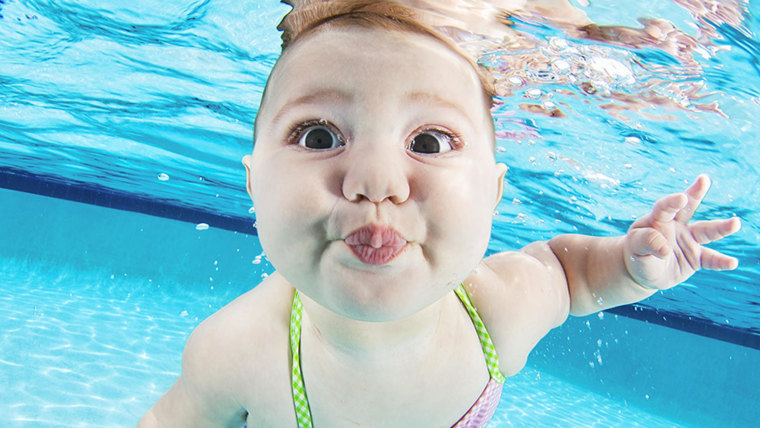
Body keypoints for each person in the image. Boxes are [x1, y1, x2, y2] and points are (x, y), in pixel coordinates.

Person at [138, 2, 741, 427]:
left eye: (428, 142)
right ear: (252, 182)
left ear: (494, 193)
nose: (376, 181)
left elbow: (571, 275)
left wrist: (634, 268)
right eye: (319, 135)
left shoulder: (495, 311)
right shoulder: (235, 351)